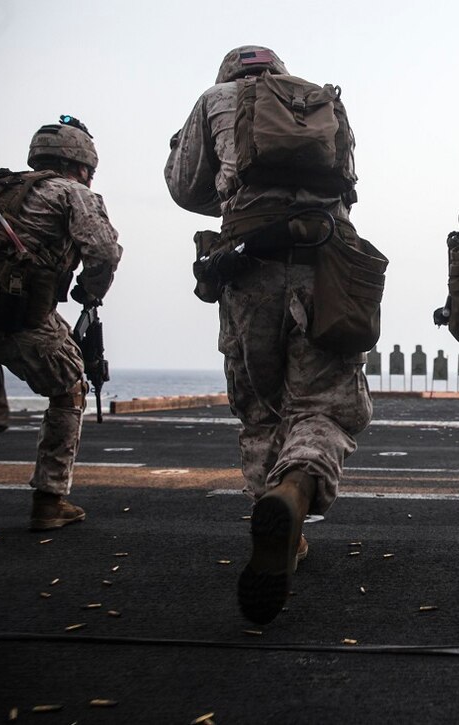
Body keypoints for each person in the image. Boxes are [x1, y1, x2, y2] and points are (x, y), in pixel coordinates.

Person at [165, 46, 377, 625]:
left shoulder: (215, 100)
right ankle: (295, 492)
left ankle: (280, 518)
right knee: (325, 405)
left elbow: (184, 188)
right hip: (326, 265)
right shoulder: (324, 100)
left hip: (249, 264)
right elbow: (347, 182)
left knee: (261, 411)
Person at [0, 116, 122, 530]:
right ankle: (50, 501)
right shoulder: (72, 192)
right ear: (82, 164)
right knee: (69, 387)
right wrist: (90, 291)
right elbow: (103, 251)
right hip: (14, 311)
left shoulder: (0, 191)